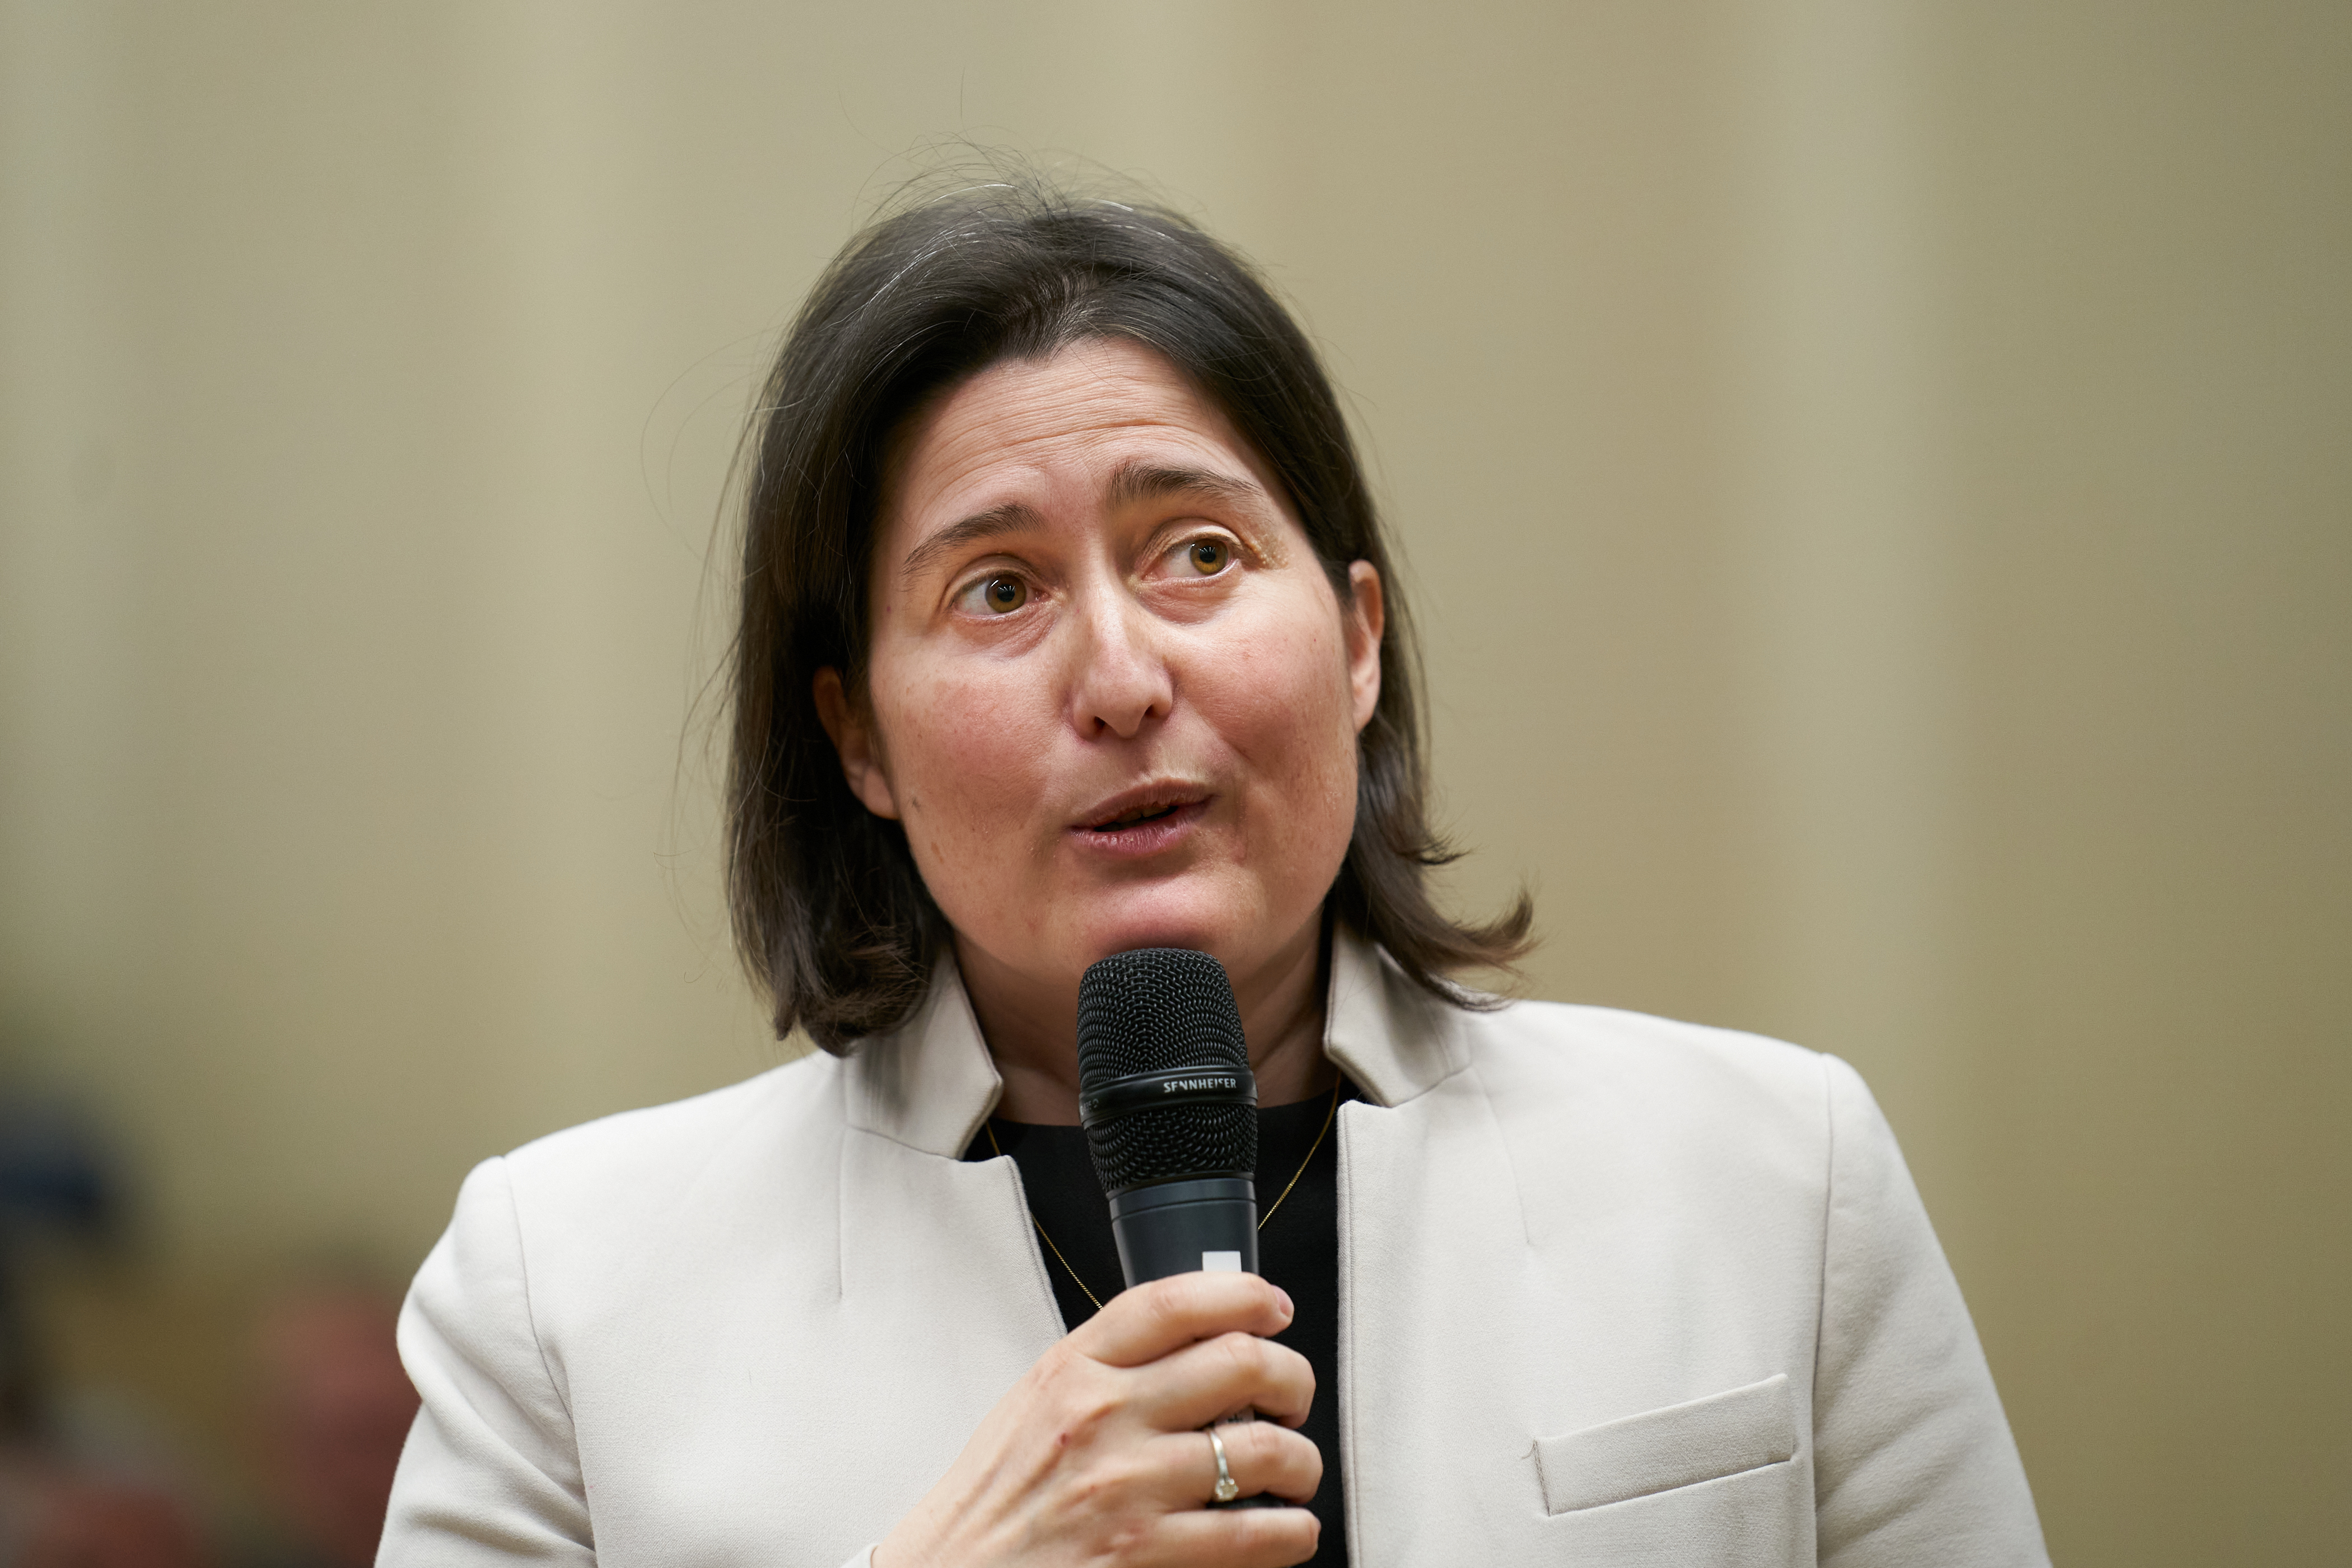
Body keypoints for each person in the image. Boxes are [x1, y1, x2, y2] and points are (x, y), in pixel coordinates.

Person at [378, 175, 2048, 1567]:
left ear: (1359, 640)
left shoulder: (1774, 1182)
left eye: (1197, 552)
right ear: (858, 735)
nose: (1120, 680)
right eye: (998, 589)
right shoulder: (565, 1297)